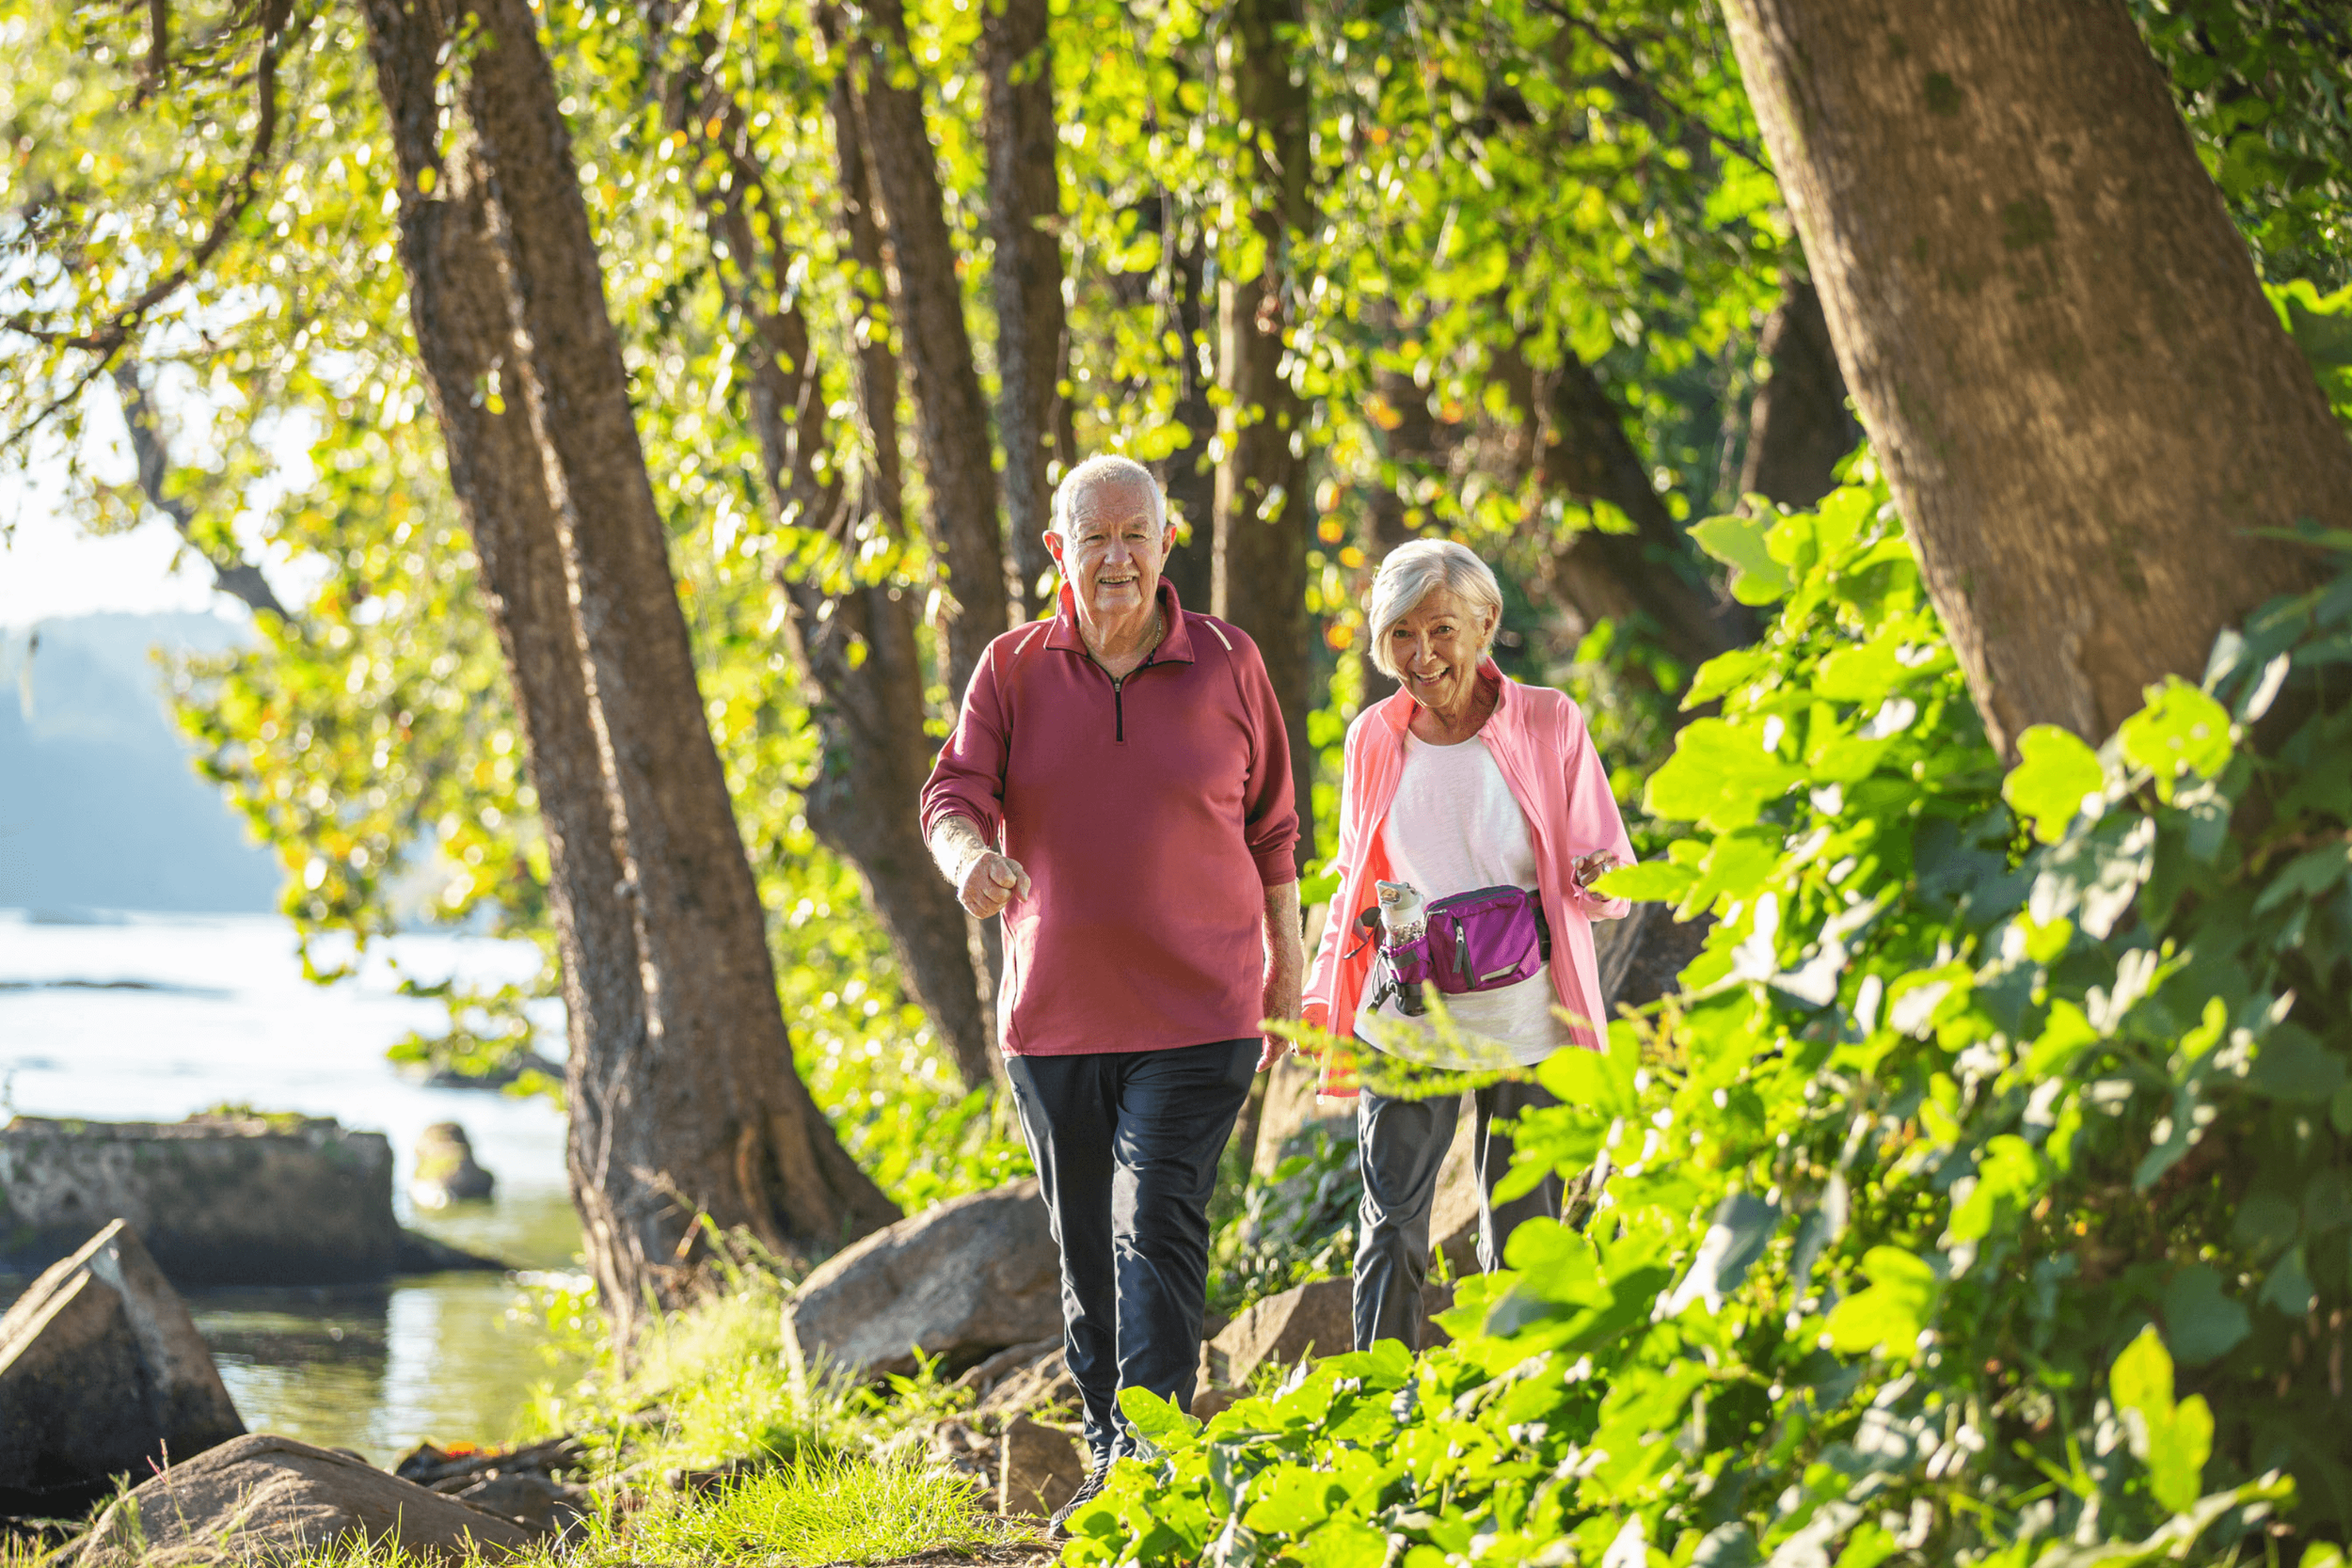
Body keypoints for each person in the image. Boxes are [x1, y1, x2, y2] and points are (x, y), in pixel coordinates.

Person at [920, 454, 1302, 1530]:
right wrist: (967, 860)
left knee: (1157, 1220)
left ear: (1167, 542)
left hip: (1203, 1006)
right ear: (1059, 550)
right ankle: (1104, 1437)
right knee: (1086, 1238)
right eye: (1095, 536)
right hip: (1056, 1015)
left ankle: (1151, 1461)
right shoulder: (1009, 667)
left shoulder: (1230, 661)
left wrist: (1292, 962)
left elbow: (1271, 823)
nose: (1117, 556)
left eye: (1136, 534)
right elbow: (953, 790)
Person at [1300, 539, 1635, 1354]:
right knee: (1391, 1234)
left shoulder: (1550, 720)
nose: (1422, 656)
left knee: (1521, 1237)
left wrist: (1595, 873)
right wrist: (1320, 989)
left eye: (1441, 629)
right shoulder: (1373, 737)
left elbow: (1612, 871)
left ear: (1485, 623)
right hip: (1410, 1016)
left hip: (1530, 1021)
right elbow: (1354, 873)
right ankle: (1380, 1412)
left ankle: (1513, 1414)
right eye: (1401, 636)